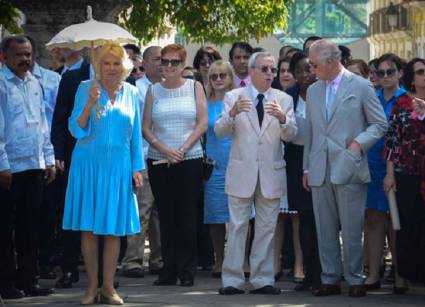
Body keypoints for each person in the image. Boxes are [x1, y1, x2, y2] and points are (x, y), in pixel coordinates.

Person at [302, 39, 387, 297]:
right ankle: (330, 278)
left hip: (349, 164)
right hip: (319, 166)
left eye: (314, 64)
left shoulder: (360, 86)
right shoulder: (314, 90)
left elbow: (379, 124)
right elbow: (311, 132)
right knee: (324, 226)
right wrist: (306, 167)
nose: (310, 69)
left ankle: (355, 278)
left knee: (351, 228)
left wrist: (358, 146)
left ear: (330, 61)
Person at [62, 42, 144, 305]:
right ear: (98, 65)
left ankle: (109, 288)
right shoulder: (85, 88)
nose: (111, 68)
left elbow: (136, 135)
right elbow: (75, 129)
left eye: (116, 63)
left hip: (118, 167)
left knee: (112, 229)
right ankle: (91, 287)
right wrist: (89, 104)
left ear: (125, 66)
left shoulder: (132, 92)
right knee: (89, 229)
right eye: (106, 63)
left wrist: (137, 167)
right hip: (88, 166)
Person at [215, 51, 297, 295]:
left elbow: (291, 134)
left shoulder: (283, 99)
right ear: (251, 72)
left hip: (271, 173)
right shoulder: (233, 96)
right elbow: (219, 131)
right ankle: (232, 280)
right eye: (264, 69)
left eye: (272, 70)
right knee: (237, 227)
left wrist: (283, 118)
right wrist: (232, 114)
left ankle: (263, 279)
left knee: (267, 227)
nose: (270, 74)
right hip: (242, 172)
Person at [142, 43, 208, 287]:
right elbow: (146, 127)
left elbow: (202, 122)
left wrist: (182, 149)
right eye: (164, 61)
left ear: (182, 65)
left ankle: (187, 270)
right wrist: (164, 149)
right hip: (159, 159)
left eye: (174, 62)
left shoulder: (194, 86)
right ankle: (167, 269)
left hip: (188, 159)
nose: (168, 66)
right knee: (166, 216)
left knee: (187, 215)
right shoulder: (153, 91)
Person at [0, 35, 56, 299]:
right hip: (9, 168)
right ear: (5, 57)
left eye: (28, 54)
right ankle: (6, 283)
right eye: (19, 55)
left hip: (34, 164)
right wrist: (3, 165)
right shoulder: (0, 85)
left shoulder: (35, 83)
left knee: (31, 227)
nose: (25, 60)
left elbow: (42, 124)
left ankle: (29, 278)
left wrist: (48, 157)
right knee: (5, 229)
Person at [383, 57, 425, 293]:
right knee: (407, 226)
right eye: (419, 72)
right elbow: (393, 140)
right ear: (411, 77)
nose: (424, 76)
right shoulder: (402, 103)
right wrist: (390, 173)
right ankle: (404, 275)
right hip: (407, 172)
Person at [363, 53, 405, 291]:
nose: (386, 76)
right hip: (372, 164)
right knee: (373, 219)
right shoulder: (371, 97)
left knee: (396, 222)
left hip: (398, 167)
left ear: (400, 73)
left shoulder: (407, 100)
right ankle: (373, 273)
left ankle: (401, 273)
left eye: (391, 71)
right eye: (381, 72)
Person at [122, 46, 163, 278]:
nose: (161, 64)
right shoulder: (135, 90)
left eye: (164, 60)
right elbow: (132, 129)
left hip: (166, 156)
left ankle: (158, 259)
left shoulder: (168, 88)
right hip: (143, 156)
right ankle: (133, 260)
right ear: (144, 64)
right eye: (157, 59)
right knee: (141, 210)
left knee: (160, 212)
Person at [283, 52, 322, 292]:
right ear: (294, 74)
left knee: (322, 220)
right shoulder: (288, 97)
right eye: (300, 71)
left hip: (321, 158)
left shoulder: (325, 93)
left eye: (310, 69)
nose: (306, 75)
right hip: (296, 161)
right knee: (304, 219)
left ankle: (324, 274)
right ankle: (310, 273)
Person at [203, 60, 235, 278]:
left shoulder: (239, 99)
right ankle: (219, 260)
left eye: (222, 75)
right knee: (215, 216)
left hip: (237, 162)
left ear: (230, 77)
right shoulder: (204, 103)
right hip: (214, 164)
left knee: (239, 215)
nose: (218, 80)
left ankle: (238, 259)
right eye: (213, 76)